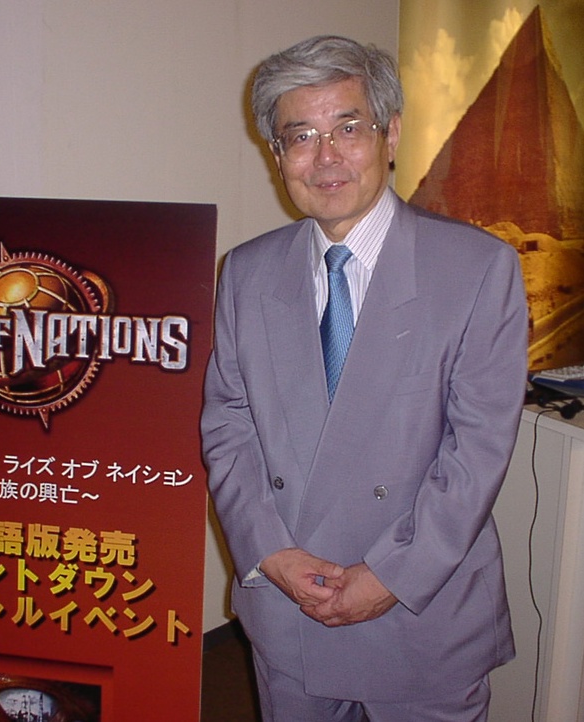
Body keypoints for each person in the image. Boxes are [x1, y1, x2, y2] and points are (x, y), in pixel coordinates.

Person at [200, 35, 528, 721]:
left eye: (348, 128)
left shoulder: (476, 268)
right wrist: (269, 552)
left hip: (421, 609)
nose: (325, 157)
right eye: (300, 136)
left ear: (390, 134)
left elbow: (476, 451)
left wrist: (392, 574)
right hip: (289, 604)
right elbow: (227, 423)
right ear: (276, 155)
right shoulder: (248, 271)